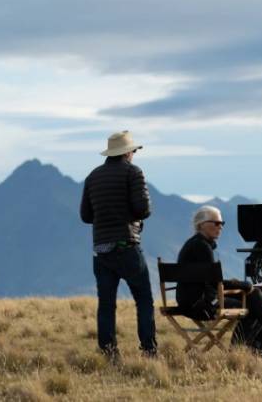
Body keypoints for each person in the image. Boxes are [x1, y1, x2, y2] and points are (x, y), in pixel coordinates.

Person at [176, 205, 262, 350]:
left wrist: (241, 285)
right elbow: (215, 283)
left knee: (254, 297)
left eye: (222, 224)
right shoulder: (202, 247)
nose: (220, 227)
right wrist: (243, 285)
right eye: (216, 223)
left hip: (191, 301)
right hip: (201, 304)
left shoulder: (193, 244)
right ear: (202, 225)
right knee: (254, 302)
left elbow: (211, 282)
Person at [80, 130, 157, 358]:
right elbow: (143, 208)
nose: (134, 154)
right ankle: (149, 351)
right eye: (133, 150)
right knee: (143, 300)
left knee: (106, 305)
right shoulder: (133, 173)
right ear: (127, 153)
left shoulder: (92, 177)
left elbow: (85, 216)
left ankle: (109, 353)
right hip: (127, 246)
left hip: (101, 250)